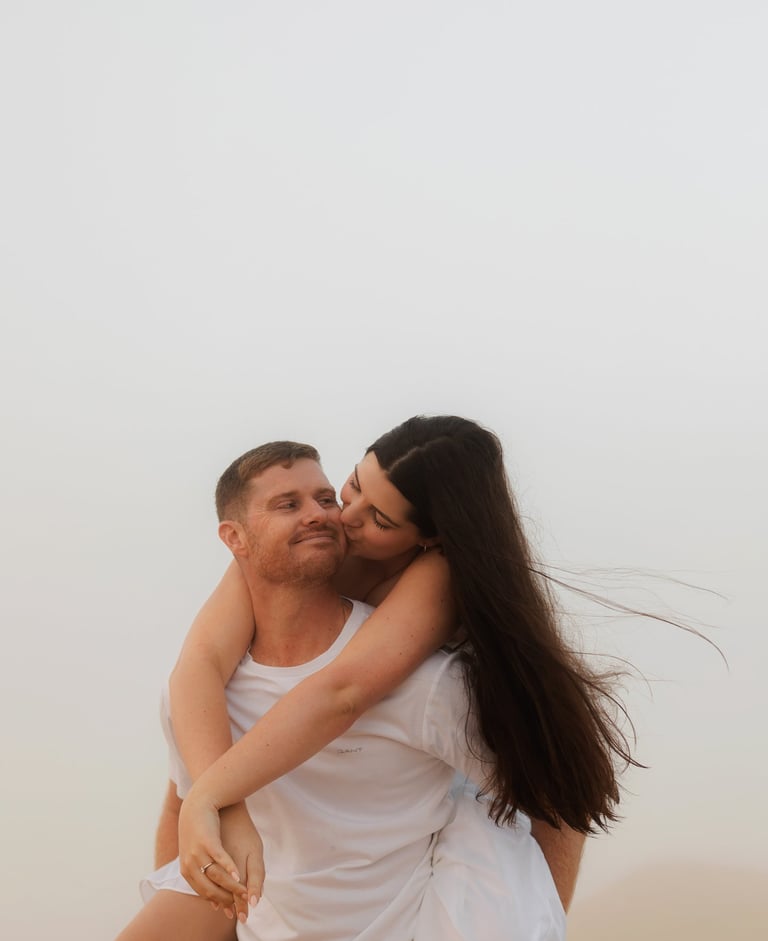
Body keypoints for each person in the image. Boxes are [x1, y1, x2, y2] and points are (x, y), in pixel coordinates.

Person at [116, 438, 571, 941]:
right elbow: (181, 805)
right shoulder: (207, 695)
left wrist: (547, 917)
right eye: (345, 491)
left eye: (326, 499)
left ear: (425, 539)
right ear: (234, 538)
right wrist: (216, 813)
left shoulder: (427, 676)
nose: (334, 515)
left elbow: (557, 800)